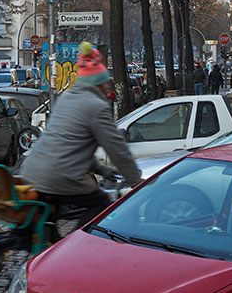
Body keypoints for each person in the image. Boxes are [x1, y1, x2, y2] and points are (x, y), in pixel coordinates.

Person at [19, 41, 141, 227]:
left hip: (33, 172)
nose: (107, 89)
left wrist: (104, 170)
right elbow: (116, 148)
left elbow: (71, 148)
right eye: (105, 84)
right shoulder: (97, 107)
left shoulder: (66, 98)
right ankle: (77, 245)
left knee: (49, 224)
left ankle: (50, 248)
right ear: (98, 84)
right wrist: (136, 181)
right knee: (100, 208)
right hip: (61, 177)